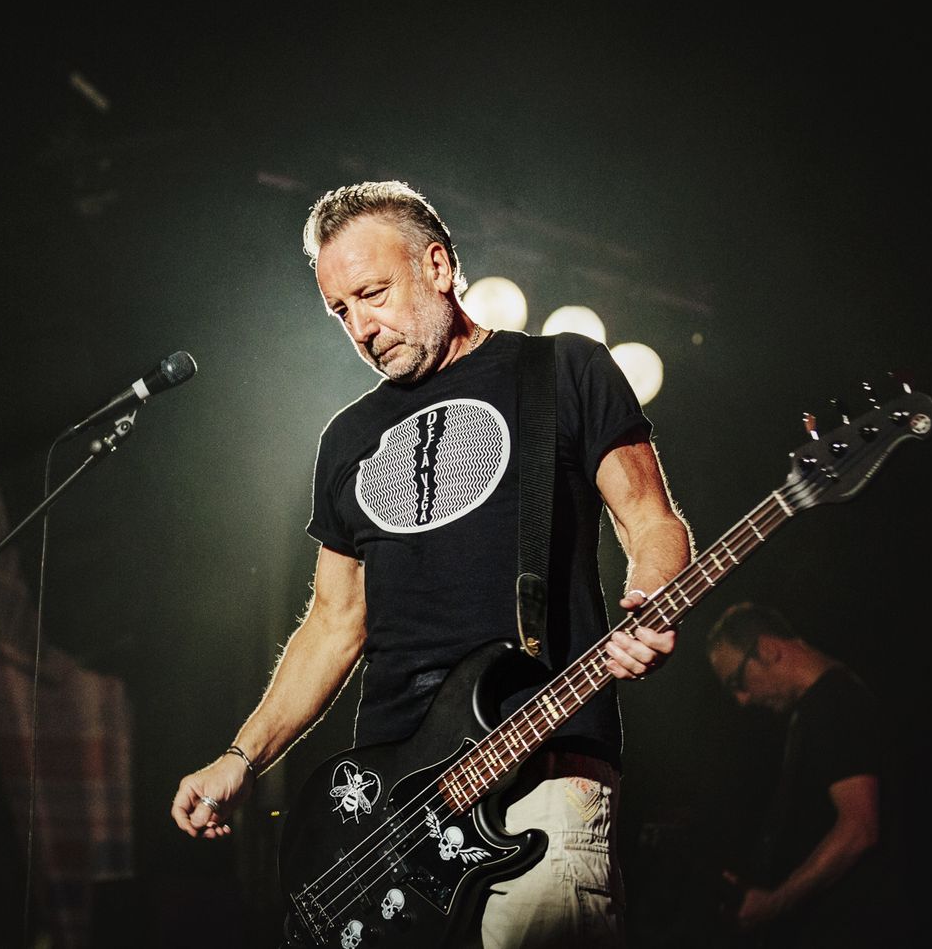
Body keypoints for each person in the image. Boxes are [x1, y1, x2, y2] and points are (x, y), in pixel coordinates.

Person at [170, 180, 693, 947]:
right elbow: (332, 622)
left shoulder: (562, 371)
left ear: (439, 266)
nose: (361, 326)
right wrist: (242, 756)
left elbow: (652, 519)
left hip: (539, 775)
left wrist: (650, 598)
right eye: (340, 310)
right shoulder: (348, 437)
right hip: (387, 810)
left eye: (373, 293)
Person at [705, 602, 908, 948]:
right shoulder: (816, 710)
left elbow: (859, 829)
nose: (741, 699)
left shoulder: (834, 705)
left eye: (737, 681)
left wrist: (773, 903)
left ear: (768, 650)